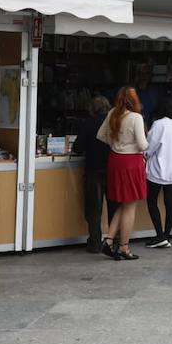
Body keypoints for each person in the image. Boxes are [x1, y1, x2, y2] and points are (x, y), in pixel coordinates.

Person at [99, 86, 147, 259]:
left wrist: (116, 144)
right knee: (130, 205)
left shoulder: (112, 113)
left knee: (123, 203)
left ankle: (109, 240)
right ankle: (124, 247)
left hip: (115, 160)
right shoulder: (136, 117)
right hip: (131, 162)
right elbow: (142, 145)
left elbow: (101, 135)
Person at [143, 97, 172, 249]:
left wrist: (145, 155)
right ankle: (166, 235)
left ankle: (159, 235)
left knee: (152, 201)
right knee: (170, 203)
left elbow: (149, 146)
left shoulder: (159, 124)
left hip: (157, 169)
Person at [71, 94, 111, 253]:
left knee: (94, 208)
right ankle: (115, 240)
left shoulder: (88, 123)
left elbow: (77, 148)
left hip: (94, 169)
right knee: (114, 205)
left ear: (92, 110)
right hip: (112, 169)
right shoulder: (114, 122)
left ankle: (95, 242)